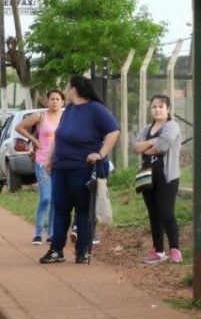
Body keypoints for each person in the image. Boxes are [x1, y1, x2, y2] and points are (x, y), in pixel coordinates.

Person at [40, 75, 119, 264]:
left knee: (82, 209)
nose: (66, 90)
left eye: (68, 87)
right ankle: (56, 250)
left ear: (75, 89)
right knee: (60, 207)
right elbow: (59, 136)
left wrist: (100, 153)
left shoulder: (95, 109)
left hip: (81, 167)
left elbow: (113, 130)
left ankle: (82, 250)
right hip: (61, 166)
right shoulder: (70, 110)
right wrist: (49, 159)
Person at [133, 94, 182, 264]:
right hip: (147, 176)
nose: (157, 109)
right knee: (153, 214)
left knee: (166, 213)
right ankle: (158, 250)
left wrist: (147, 146)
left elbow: (162, 146)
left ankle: (175, 249)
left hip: (167, 177)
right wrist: (152, 143)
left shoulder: (172, 126)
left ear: (168, 109)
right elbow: (135, 147)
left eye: (161, 106)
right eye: (154, 106)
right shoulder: (146, 129)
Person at [15, 88, 65, 244]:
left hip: (60, 163)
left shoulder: (66, 117)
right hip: (42, 161)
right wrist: (34, 140)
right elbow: (20, 127)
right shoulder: (40, 115)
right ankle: (37, 233)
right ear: (47, 101)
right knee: (45, 198)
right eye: (52, 99)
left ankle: (50, 233)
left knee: (56, 199)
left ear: (62, 102)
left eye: (57, 99)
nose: (54, 102)